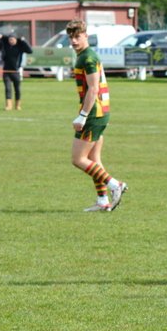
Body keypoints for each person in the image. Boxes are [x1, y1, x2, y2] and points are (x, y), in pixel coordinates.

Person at [66, 19, 127, 213]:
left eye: (77, 36)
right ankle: (102, 200)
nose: (74, 41)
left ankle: (115, 185)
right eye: (71, 37)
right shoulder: (85, 55)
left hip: (94, 114)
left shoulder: (87, 58)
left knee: (78, 159)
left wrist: (83, 115)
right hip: (100, 113)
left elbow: (93, 89)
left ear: (86, 36)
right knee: (93, 159)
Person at [0, 33, 32, 111]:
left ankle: (18, 105)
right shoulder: (5, 45)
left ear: (15, 39)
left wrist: (24, 41)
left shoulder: (20, 46)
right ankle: (8, 105)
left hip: (16, 71)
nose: (10, 41)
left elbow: (30, 51)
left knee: (17, 89)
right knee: (8, 88)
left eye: (12, 39)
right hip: (6, 71)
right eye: (9, 39)